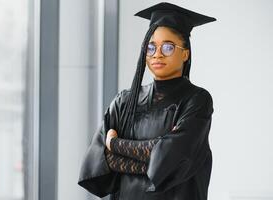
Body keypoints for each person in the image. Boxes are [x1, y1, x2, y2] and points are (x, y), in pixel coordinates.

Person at [78, 2, 216, 200]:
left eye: (168, 47)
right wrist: (155, 156)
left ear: (185, 53)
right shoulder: (124, 101)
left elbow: (174, 157)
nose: (157, 54)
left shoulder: (197, 100)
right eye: (151, 47)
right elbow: (98, 161)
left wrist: (115, 144)